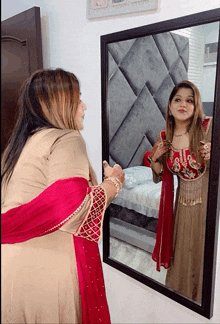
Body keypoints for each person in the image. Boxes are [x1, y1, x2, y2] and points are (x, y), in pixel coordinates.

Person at [1, 68, 124, 323]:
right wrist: (113, 183)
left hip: (11, 267)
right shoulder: (66, 138)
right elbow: (67, 206)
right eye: (78, 99)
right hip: (45, 271)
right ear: (55, 104)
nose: (84, 106)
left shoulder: (19, 145)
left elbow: (40, 197)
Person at [144, 80, 212, 303]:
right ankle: (183, 299)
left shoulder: (208, 129)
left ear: (196, 106)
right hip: (181, 204)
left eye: (190, 100)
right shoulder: (164, 137)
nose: (184, 104)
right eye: (178, 99)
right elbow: (159, 172)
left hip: (207, 202)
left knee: (204, 252)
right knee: (183, 251)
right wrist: (154, 158)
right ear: (170, 106)